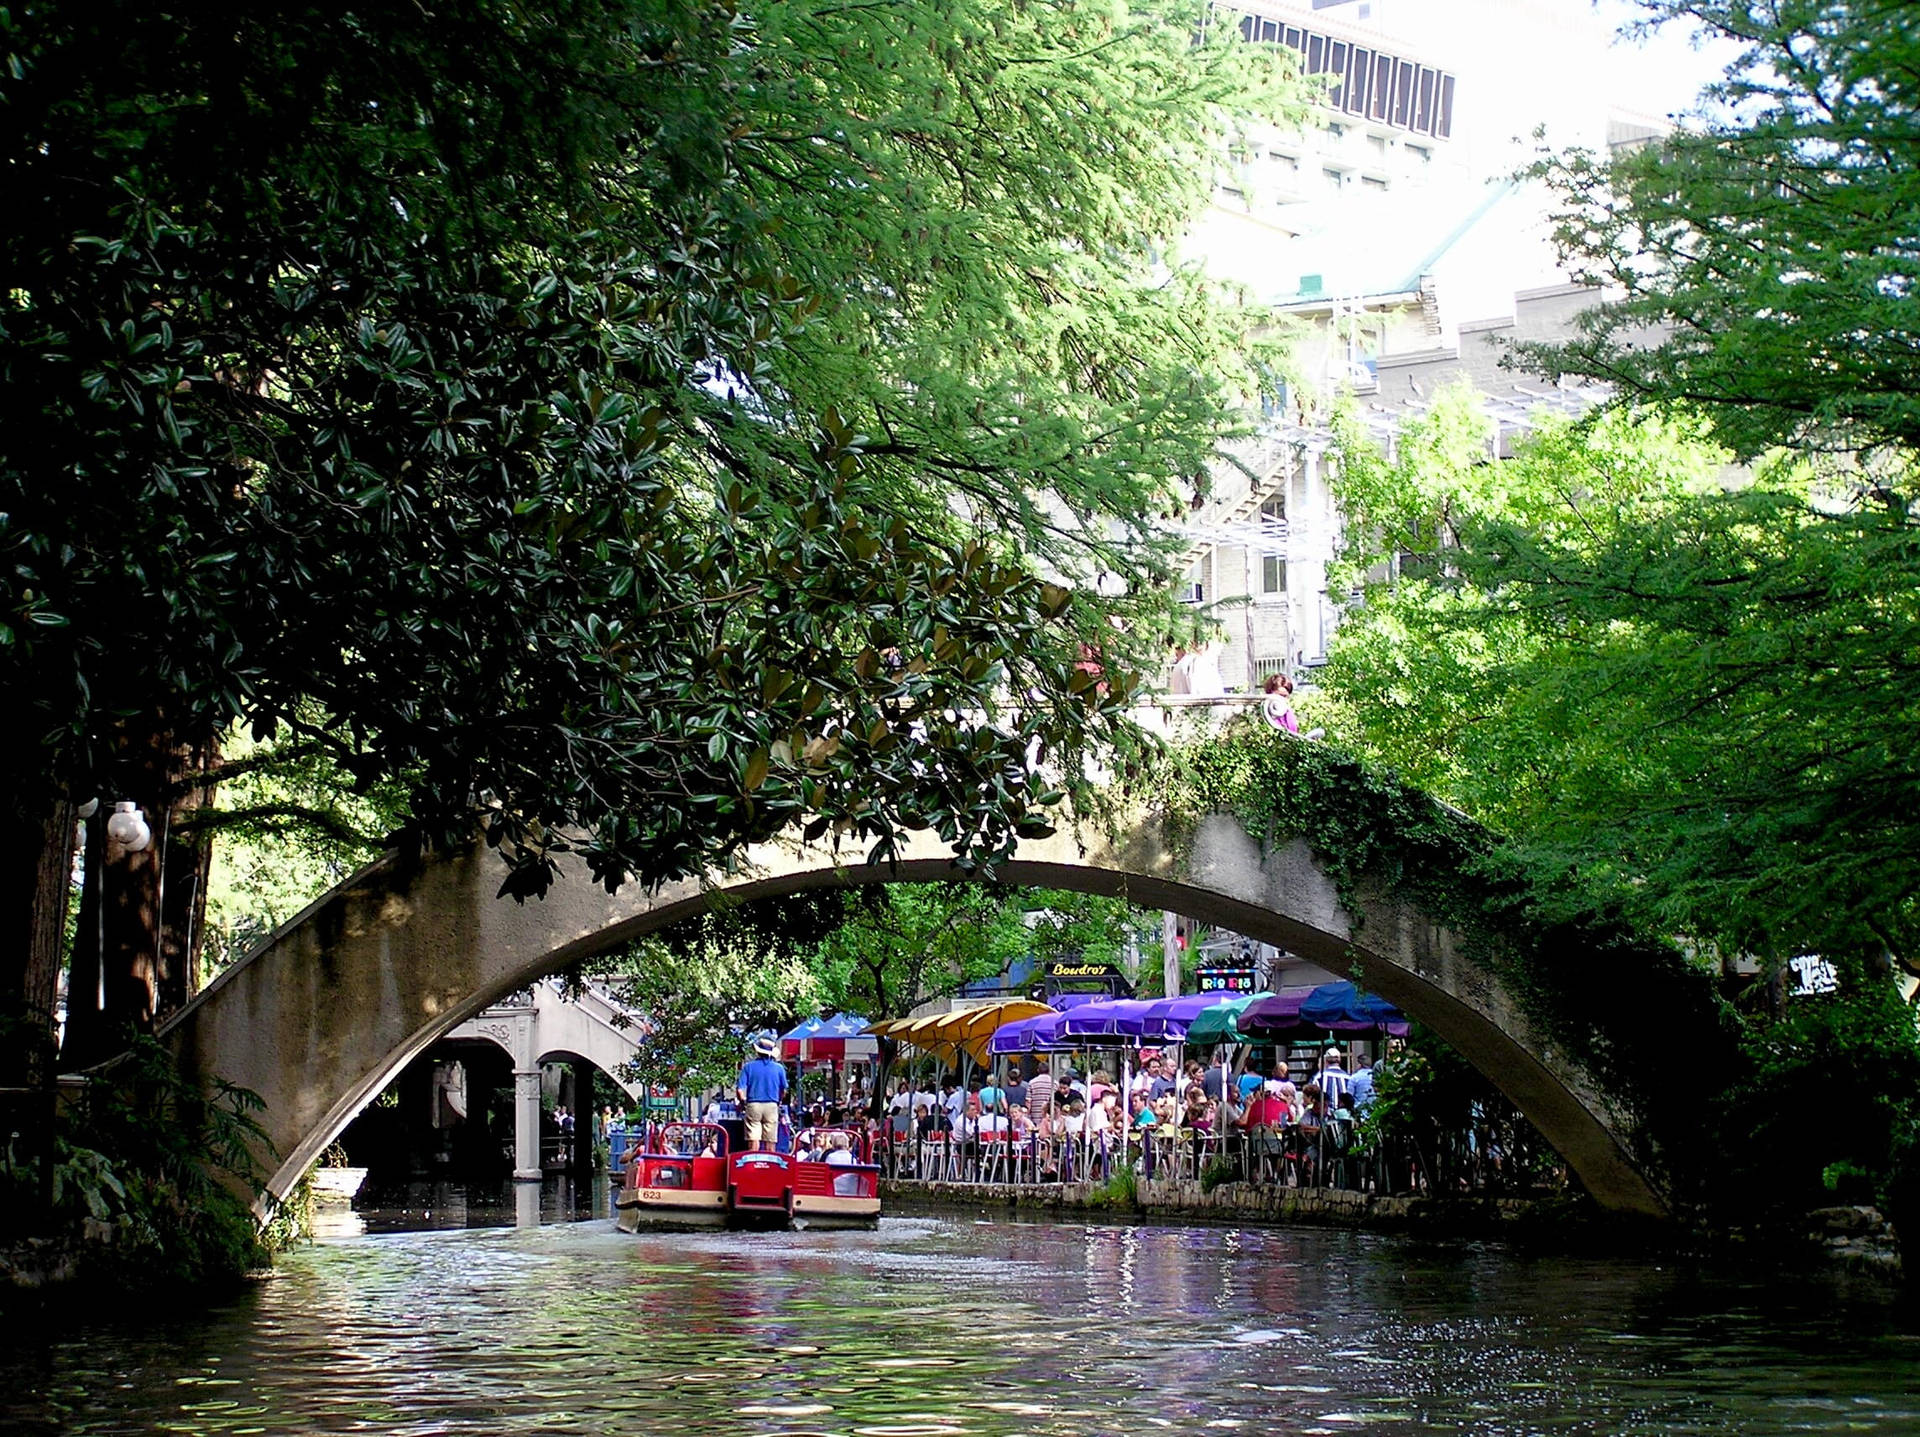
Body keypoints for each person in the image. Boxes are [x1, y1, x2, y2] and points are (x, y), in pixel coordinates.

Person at [735, 1036, 789, 1152]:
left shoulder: (748, 1067)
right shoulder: (779, 1068)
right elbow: (784, 1090)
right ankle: (770, 1166)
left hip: (753, 1104)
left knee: (753, 1138)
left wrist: (743, 1102)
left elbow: (740, 1090)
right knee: (770, 1140)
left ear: (757, 1051)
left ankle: (753, 1164)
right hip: (772, 1105)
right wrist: (778, 1101)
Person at [824, 1130, 862, 1195]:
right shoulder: (852, 1158)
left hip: (833, 1192)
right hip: (851, 1192)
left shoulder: (830, 1157)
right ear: (847, 1145)